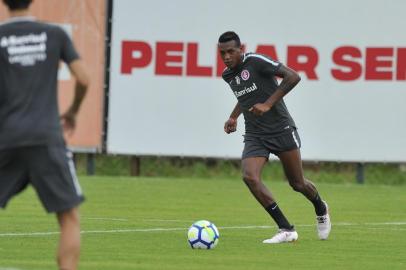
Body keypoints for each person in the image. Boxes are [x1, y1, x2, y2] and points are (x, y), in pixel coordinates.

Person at [218, 31, 331, 244]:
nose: (226, 57)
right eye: (222, 53)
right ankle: (286, 228)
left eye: (231, 52)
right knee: (250, 176)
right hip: (255, 134)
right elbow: (245, 95)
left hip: (281, 129)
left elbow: (293, 76)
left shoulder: (256, 61)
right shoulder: (227, 75)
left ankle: (320, 206)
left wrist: (268, 104)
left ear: (240, 50)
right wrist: (233, 117)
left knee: (297, 183)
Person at [0, 0, 89, 269]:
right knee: (69, 218)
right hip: (47, 138)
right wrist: (72, 111)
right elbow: (84, 78)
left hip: (7, 138)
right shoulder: (55, 34)